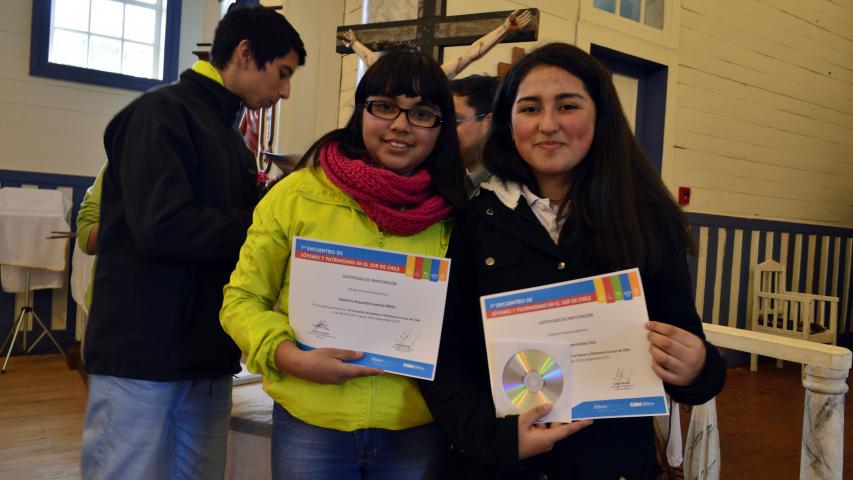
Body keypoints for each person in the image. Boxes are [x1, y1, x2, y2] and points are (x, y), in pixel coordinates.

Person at [419, 43, 726, 479]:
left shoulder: (647, 219)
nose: (548, 125)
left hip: (613, 464)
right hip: (500, 467)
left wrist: (696, 366)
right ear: (507, 122)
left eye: (567, 105)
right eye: (529, 108)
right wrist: (495, 438)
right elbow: (444, 360)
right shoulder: (473, 218)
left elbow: (693, 361)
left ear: (600, 114)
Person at [80, 6, 306, 479]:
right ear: (246, 54)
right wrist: (260, 227)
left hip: (205, 356)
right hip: (143, 356)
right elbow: (162, 226)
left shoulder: (227, 134)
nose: (285, 90)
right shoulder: (160, 113)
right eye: (282, 74)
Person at [220, 48, 467, 480]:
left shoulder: (457, 211)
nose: (400, 126)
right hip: (312, 422)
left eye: (422, 113)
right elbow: (241, 299)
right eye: (385, 106)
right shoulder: (298, 194)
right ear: (361, 111)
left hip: (417, 428)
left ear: (441, 127)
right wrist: (289, 356)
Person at [339, 9, 533, 80]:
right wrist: (355, 43)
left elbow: (472, 53)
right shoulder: (387, 71)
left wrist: (504, 29)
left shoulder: (430, 78)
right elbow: (369, 57)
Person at [449, 75, 500, 196]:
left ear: (489, 123)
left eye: (455, 121)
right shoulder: (450, 177)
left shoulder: (505, 196)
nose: (444, 131)